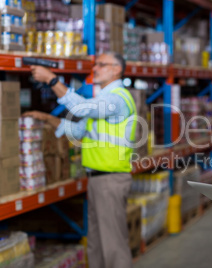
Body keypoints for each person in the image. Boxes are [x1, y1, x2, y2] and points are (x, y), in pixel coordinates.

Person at [24, 52, 137, 268]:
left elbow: (81, 108)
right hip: (97, 179)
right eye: (95, 64)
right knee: (96, 243)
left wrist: (52, 80)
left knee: (113, 246)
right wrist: (46, 118)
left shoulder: (118, 99)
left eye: (101, 65)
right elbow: (76, 130)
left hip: (111, 180)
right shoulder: (103, 100)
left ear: (117, 70)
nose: (95, 68)